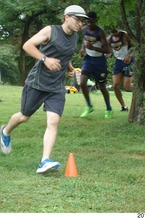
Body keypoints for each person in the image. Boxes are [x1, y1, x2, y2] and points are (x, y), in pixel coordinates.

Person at [0, 5, 88, 173]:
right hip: (37, 83)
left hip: (56, 86)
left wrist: (69, 67)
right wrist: (45, 59)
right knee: (24, 116)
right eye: (77, 19)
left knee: (53, 121)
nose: (80, 24)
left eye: (82, 21)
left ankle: (44, 161)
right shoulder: (51, 31)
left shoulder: (75, 37)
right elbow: (27, 45)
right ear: (66, 17)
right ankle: (5, 131)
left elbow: (65, 55)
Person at [79, 11, 113, 119]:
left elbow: (107, 50)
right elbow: (84, 42)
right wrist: (82, 49)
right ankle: (89, 106)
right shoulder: (84, 29)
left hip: (99, 61)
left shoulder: (100, 32)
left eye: (92, 21)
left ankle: (108, 109)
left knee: (102, 87)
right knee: (82, 82)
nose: (89, 23)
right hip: (88, 60)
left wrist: (93, 48)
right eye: (87, 21)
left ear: (95, 21)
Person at [107, 28, 136, 112]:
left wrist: (129, 55)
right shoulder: (109, 39)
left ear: (118, 29)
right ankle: (124, 106)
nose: (114, 34)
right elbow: (109, 51)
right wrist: (105, 56)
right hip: (118, 62)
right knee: (115, 85)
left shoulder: (125, 36)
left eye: (115, 31)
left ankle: (140, 89)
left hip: (128, 61)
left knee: (127, 87)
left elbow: (137, 47)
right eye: (112, 32)